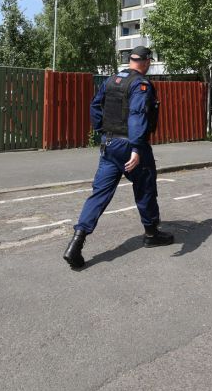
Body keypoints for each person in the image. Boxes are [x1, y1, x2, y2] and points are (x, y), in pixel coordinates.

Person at [63, 46, 174, 269]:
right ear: (146, 62)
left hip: (109, 145)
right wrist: (136, 148)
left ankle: (77, 241)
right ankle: (151, 233)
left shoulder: (112, 80)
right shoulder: (140, 84)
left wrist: (101, 132)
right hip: (129, 145)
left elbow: (95, 106)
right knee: (145, 186)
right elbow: (137, 115)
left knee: (99, 194)